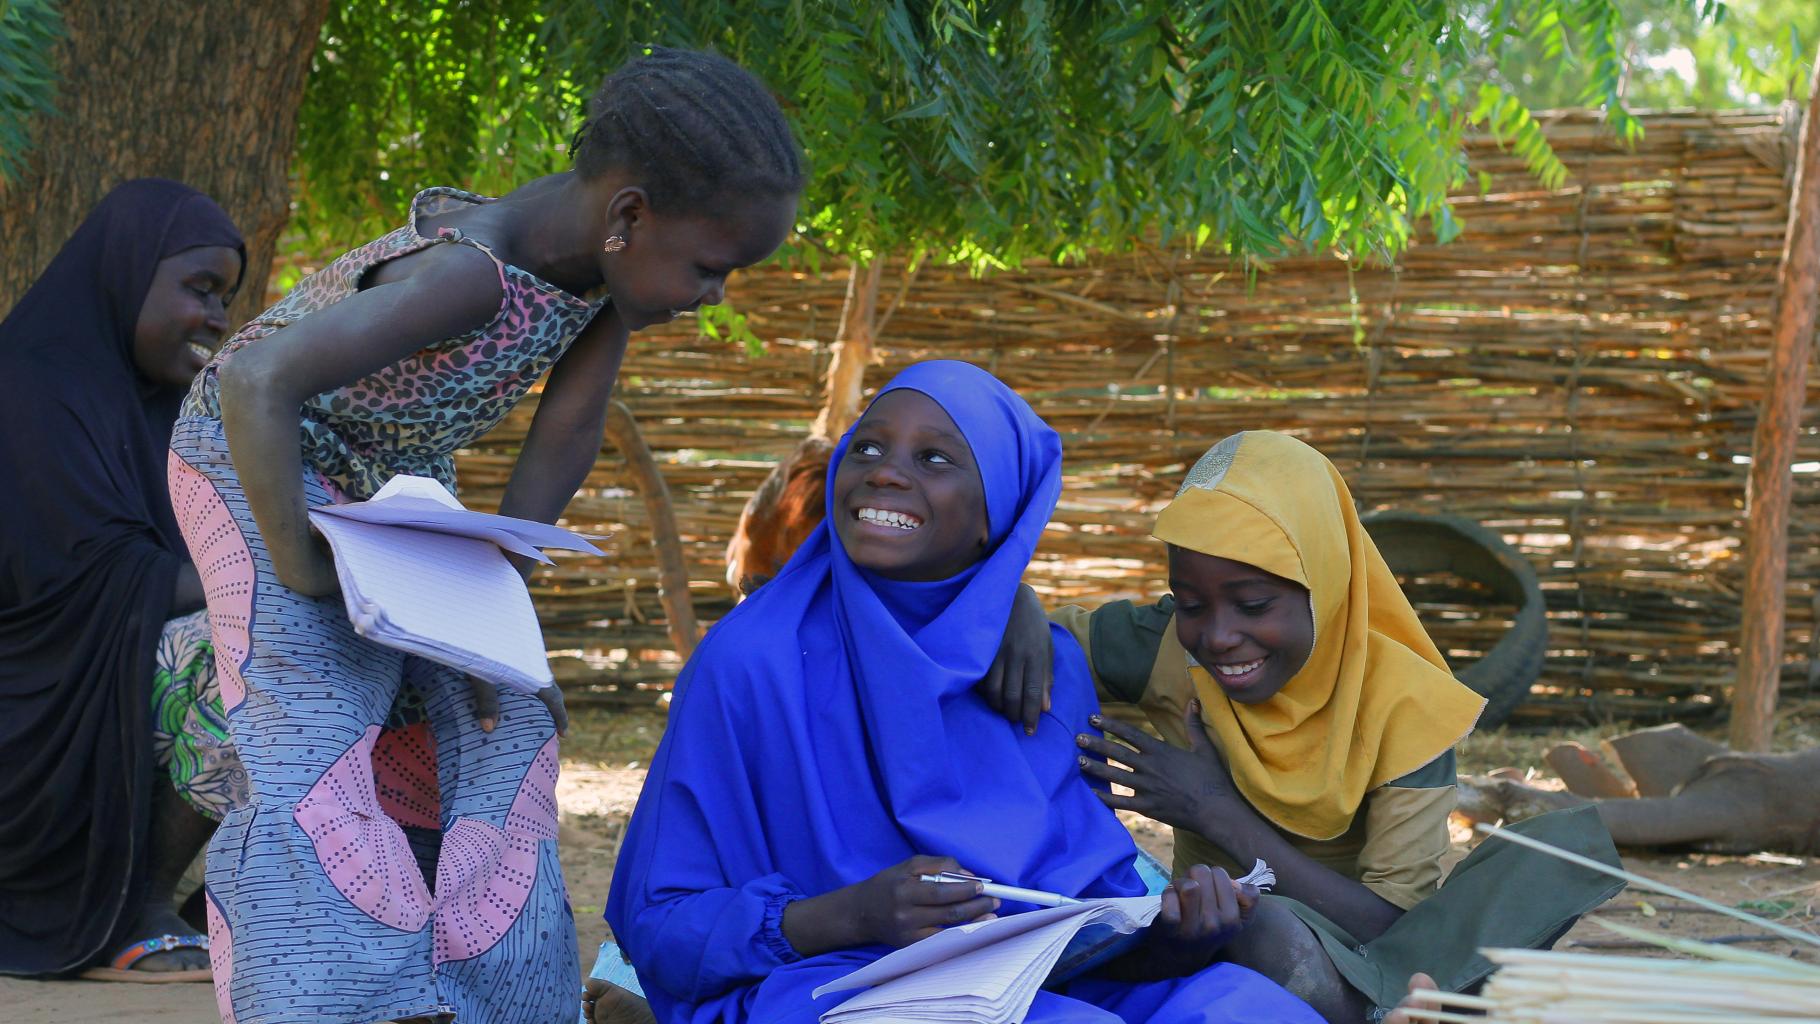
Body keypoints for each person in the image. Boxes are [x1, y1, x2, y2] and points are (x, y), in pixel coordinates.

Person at [167, 48, 803, 1023]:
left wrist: (486, 606)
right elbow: (258, 384)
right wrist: (296, 562)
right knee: (317, 736)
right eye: (711, 267)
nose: (716, 293)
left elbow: (566, 436)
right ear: (628, 217)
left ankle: (495, 996)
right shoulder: (469, 275)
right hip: (254, 456)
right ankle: (333, 1001)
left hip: (386, 476)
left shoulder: (599, 280)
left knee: (507, 718)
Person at [606, 361, 1322, 1024]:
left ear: (996, 516)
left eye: (935, 458)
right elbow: (660, 926)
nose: (885, 474)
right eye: (867, 449)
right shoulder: (752, 661)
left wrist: (1172, 937)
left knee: (1248, 1007)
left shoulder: (1046, 669)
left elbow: (1081, 926)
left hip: (1035, 987)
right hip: (826, 986)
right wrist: (853, 916)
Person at [990, 430, 1623, 1023]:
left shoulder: (1404, 704)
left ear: (1324, 583)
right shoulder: (1166, 648)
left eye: (1255, 605)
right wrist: (1018, 602)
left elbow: (1393, 927)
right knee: (1234, 924)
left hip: (1367, 952)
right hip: (1224, 936)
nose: (1218, 636)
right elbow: (1020, 646)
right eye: (1191, 605)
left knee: (1552, 855)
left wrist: (1214, 811)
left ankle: (1401, 1005)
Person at [0, 179, 246, 980]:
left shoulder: (175, 414)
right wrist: (273, 573)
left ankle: (216, 904)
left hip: (114, 672)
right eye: (200, 288)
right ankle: (134, 902)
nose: (217, 316)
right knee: (235, 645)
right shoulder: (28, 386)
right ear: (126, 272)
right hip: (33, 702)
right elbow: (95, 584)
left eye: (226, 297)